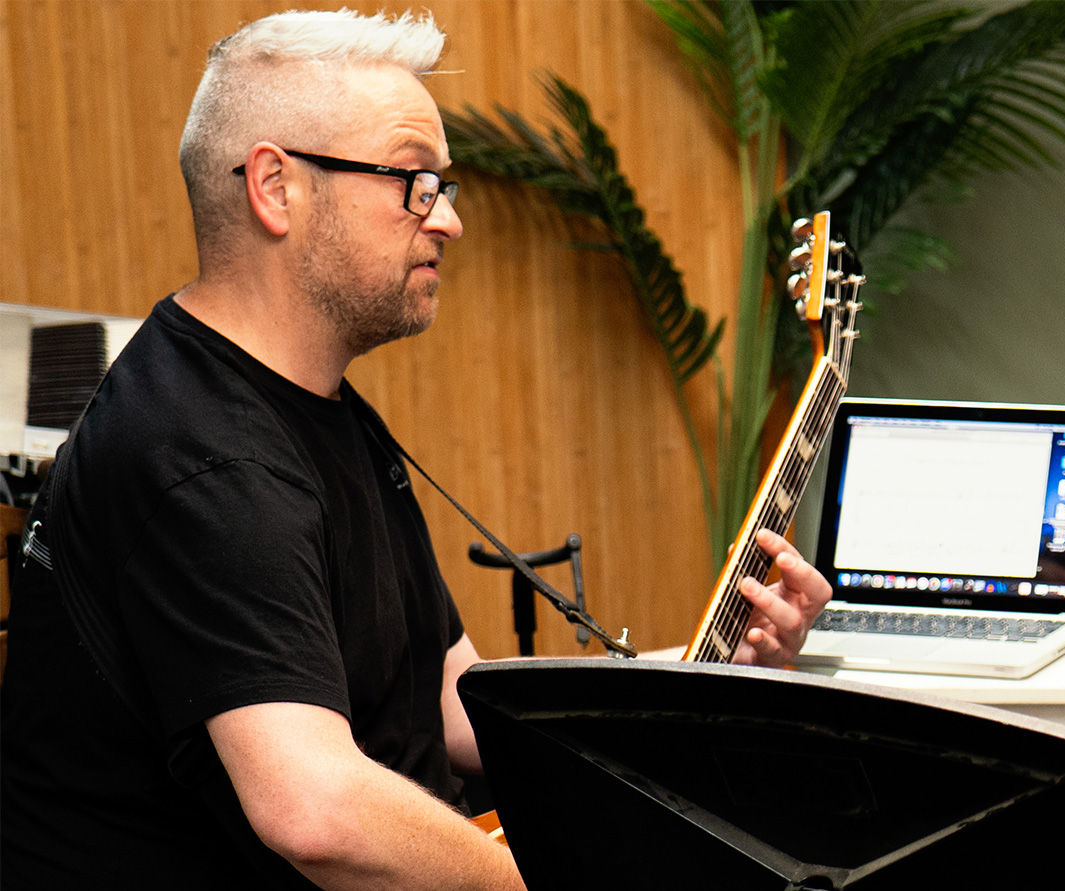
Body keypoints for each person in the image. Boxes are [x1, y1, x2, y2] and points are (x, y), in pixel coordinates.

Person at [0, 9, 831, 889]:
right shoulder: (201, 455)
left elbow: (456, 702)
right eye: (414, 181)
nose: (447, 221)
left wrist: (711, 676)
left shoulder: (316, 405)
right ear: (276, 188)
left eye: (445, 186)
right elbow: (315, 810)